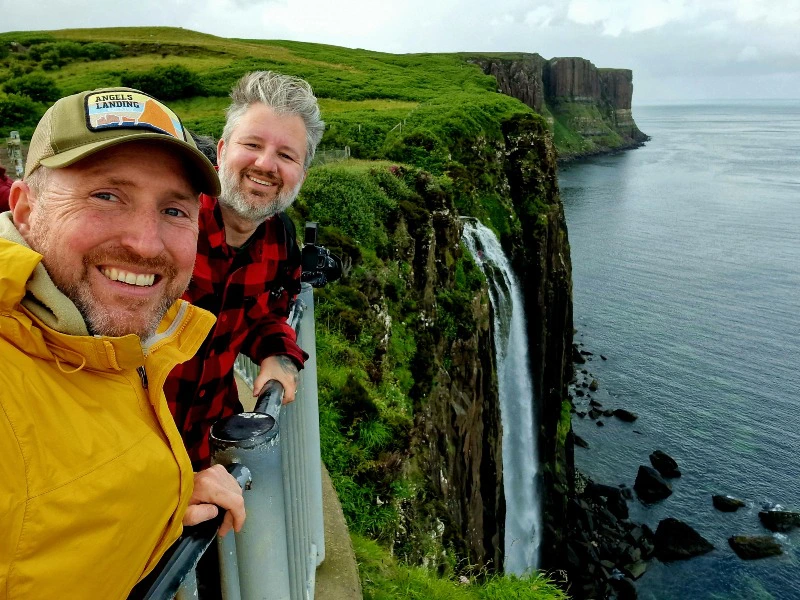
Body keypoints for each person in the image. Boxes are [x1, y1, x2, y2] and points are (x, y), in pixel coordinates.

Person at [0, 87, 246, 600]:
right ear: (24, 208)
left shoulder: (94, 345)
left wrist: (163, 494)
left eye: (174, 210)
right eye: (106, 196)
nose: (145, 243)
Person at [165, 71, 325, 469]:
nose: (266, 164)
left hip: (209, 447)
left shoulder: (278, 240)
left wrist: (278, 353)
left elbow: (268, 314)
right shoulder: (165, 223)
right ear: (221, 151)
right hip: (130, 455)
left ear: (302, 175)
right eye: (252, 144)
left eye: (286, 155)